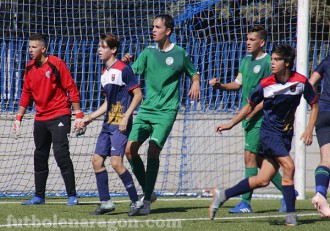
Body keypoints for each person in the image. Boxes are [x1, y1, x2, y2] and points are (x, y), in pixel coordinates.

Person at [209, 44, 318, 226]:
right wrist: (230, 124)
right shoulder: (266, 83)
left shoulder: (300, 81)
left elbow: (314, 104)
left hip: (285, 135)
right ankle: (291, 216)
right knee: (289, 167)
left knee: (263, 180)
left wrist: (308, 129)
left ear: (287, 63)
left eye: (276, 60)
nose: (272, 63)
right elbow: (250, 105)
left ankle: (222, 195)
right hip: (268, 133)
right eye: (272, 59)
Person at [122, 14, 200, 215]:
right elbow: (133, 73)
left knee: (153, 151)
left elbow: (194, 72)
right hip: (147, 109)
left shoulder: (180, 53)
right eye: (153, 27)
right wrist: (126, 64)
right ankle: (150, 190)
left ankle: (146, 201)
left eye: (157, 27)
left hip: (166, 111)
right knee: (130, 150)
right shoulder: (147, 52)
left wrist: (196, 82)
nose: (153, 30)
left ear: (168, 31)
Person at [209, 25, 289, 213]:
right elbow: (238, 84)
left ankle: (245, 202)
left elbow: (271, 94)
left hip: (262, 118)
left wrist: (254, 111)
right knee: (262, 163)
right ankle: (288, 193)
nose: (247, 42)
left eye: (252, 40)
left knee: (249, 158)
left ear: (262, 42)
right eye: (247, 39)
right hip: (249, 116)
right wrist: (220, 86)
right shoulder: (246, 60)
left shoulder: (270, 62)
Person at [13, 32, 85, 205]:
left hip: (60, 114)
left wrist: (78, 116)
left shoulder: (56, 64)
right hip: (41, 117)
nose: (30, 50)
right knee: (39, 155)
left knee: (61, 153)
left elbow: (71, 88)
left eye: (34, 47)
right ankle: (39, 196)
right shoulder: (29, 67)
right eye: (29, 47)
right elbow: (26, 93)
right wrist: (18, 118)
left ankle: (72, 195)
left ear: (43, 49)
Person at [78, 34, 143, 216]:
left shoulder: (124, 69)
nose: (99, 50)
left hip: (120, 124)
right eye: (99, 46)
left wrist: (126, 117)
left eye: (103, 47)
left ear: (113, 50)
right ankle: (106, 202)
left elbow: (138, 95)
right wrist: (89, 118)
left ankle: (135, 201)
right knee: (97, 161)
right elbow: (108, 103)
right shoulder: (104, 73)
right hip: (108, 123)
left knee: (116, 162)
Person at [309, 56, 330, 218]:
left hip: (322, 112)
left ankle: (321, 193)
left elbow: (310, 84)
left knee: (326, 159)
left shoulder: (327, 60)